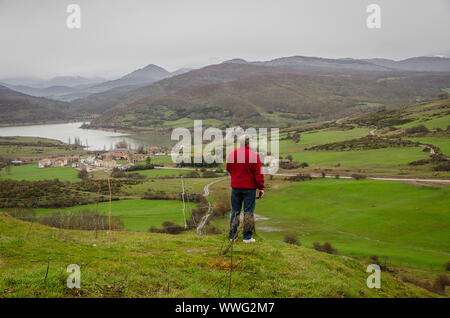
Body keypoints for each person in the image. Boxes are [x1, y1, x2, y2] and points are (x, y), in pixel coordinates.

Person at [226, 135, 264, 243]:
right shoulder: (253, 155)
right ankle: (247, 237)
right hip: (249, 188)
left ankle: (232, 236)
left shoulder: (232, 154)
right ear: (249, 143)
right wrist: (260, 187)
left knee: (235, 211)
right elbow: (258, 174)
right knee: (248, 212)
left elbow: (228, 168)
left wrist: (236, 178)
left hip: (235, 187)